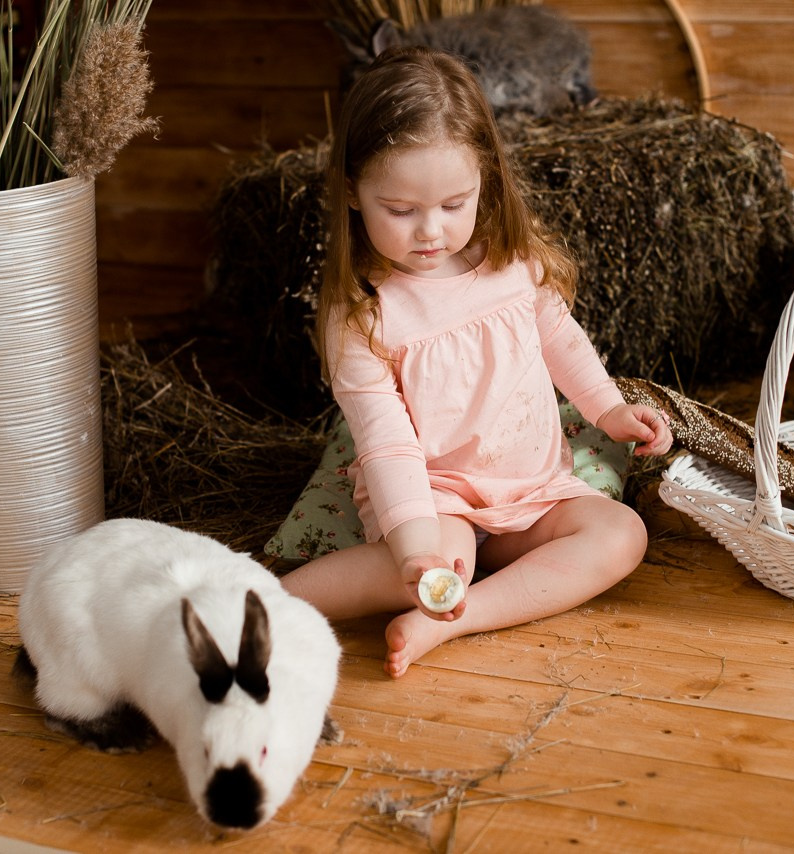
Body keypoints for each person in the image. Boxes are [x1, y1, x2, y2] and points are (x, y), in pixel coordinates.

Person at [280, 46, 674, 678]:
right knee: (444, 555)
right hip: (435, 496)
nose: (430, 231)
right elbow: (386, 443)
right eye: (401, 211)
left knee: (621, 534)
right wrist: (414, 553)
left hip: (531, 487)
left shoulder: (510, 262)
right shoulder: (365, 313)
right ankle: (269, 603)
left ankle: (460, 617)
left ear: (484, 178)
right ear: (354, 192)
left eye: (454, 204)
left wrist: (608, 408)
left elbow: (558, 336)